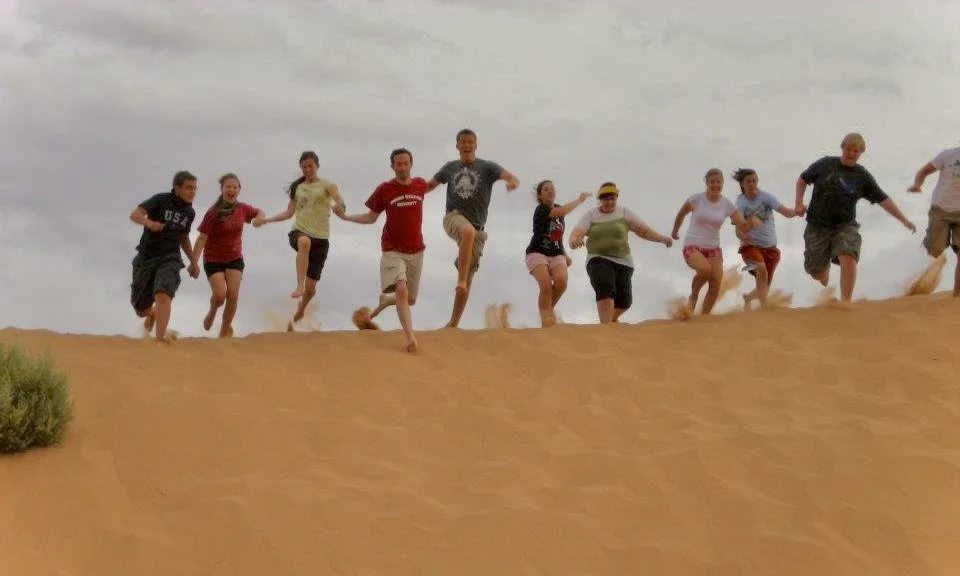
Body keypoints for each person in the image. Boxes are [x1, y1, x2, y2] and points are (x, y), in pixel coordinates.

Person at [795, 132, 916, 302]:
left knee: (848, 255)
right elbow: (802, 179)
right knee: (816, 272)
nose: (851, 153)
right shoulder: (825, 164)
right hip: (817, 225)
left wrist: (904, 220)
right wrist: (798, 203)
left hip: (845, 224)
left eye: (856, 150)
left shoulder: (861, 176)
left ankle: (846, 302)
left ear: (861, 153)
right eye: (848, 149)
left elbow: (883, 199)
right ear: (842, 148)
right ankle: (823, 273)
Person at [338, 148, 433, 352]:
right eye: (398, 164)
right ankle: (409, 338)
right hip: (393, 250)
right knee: (401, 288)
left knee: (410, 299)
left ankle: (385, 301)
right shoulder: (385, 189)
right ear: (392, 166)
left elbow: (437, 182)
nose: (402, 167)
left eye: (405, 163)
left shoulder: (419, 185)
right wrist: (346, 218)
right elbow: (371, 217)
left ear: (411, 164)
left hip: (416, 250)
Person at [425, 128, 520, 328]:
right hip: (453, 217)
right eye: (463, 142)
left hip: (478, 229)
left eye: (470, 142)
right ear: (457, 146)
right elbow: (429, 186)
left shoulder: (487, 167)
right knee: (466, 233)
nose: (467, 145)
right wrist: (408, 192)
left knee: (468, 280)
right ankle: (460, 280)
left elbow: (510, 176)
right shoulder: (450, 168)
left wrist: (512, 182)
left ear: (476, 145)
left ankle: (453, 324)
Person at [254, 150, 346, 330]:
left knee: (311, 290)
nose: (307, 169)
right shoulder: (299, 188)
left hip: (321, 238)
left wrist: (340, 208)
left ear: (317, 166)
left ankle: (301, 308)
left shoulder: (327, 184)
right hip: (300, 231)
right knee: (304, 243)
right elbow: (289, 213)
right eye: (304, 167)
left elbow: (340, 201)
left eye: (310, 166)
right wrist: (266, 220)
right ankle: (299, 285)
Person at [568, 182, 673, 323]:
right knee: (605, 287)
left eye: (612, 198)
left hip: (623, 261)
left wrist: (661, 238)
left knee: (624, 302)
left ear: (616, 198)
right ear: (600, 199)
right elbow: (578, 232)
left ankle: (611, 321)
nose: (609, 202)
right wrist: (574, 240)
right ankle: (606, 329)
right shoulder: (591, 215)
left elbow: (644, 231)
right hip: (598, 258)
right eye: (605, 199)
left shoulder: (624, 212)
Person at [128, 170, 201, 342]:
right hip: (146, 257)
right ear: (177, 188)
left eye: (195, 189)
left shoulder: (189, 212)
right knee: (140, 310)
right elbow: (135, 214)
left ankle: (159, 340)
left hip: (170, 257)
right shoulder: (160, 200)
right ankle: (152, 313)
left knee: (163, 292)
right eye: (189, 188)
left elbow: (183, 237)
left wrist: (193, 261)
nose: (192, 192)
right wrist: (149, 223)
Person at [191, 173, 265, 338]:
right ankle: (212, 310)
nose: (231, 189)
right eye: (228, 187)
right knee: (220, 295)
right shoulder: (213, 213)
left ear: (239, 190)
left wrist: (260, 217)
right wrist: (193, 262)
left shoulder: (242, 209)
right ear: (222, 189)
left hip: (234, 258)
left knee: (233, 294)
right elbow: (202, 238)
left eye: (235, 187)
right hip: (213, 259)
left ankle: (225, 329)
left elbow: (259, 212)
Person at [672, 168, 753, 315]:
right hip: (693, 245)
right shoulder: (696, 199)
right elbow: (681, 214)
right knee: (705, 270)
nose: (716, 185)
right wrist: (674, 231)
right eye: (712, 182)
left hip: (713, 248)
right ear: (706, 183)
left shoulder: (727, 204)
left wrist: (752, 222)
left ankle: (705, 317)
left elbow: (742, 223)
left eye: (719, 182)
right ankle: (693, 296)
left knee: (716, 280)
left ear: (722, 183)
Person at [524, 180, 591, 327]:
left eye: (552, 188)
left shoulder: (559, 209)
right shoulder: (541, 209)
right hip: (537, 252)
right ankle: (546, 322)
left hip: (556, 253)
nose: (550, 191)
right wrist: (580, 200)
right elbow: (561, 212)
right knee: (546, 286)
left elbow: (557, 235)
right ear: (540, 196)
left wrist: (565, 254)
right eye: (546, 189)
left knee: (561, 283)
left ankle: (547, 312)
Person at [731, 168, 798, 309]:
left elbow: (785, 212)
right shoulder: (740, 203)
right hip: (750, 247)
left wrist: (797, 211)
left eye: (754, 180)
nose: (751, 184)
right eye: (748, 181)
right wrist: (744, 233)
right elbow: (738, 229)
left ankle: (748, 298)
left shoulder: (766, 197)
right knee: (761, 269)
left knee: (764, 286)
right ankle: (765, 309)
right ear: (742, 184)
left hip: (770, 248)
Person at [907, 143, 960, 296]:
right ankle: (917, 284)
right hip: (941, 209)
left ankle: (957, 298)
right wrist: (917, 185)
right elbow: (923, 171)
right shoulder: (948, 155)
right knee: (935, 251)